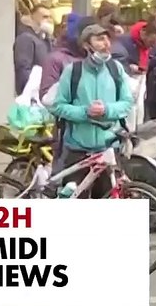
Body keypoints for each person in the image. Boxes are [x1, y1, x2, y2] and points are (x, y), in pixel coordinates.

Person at [48, 24, 134, 197]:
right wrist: (85, 112)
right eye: (99, 39)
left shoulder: (115, 69)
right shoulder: (73, 72)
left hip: (108, 149)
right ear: (87, 45)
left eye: (107, 39)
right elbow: (58, 106)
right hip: (78, 150)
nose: (106, 43)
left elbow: (127, 102)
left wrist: (107, 110)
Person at [13, 4, 53, 95]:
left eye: (50, 17)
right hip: (32, 93)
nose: (49, 20)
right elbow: (23, 69)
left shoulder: (46, 39)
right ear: (32, 17)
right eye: (45, 17)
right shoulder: (25, 38)